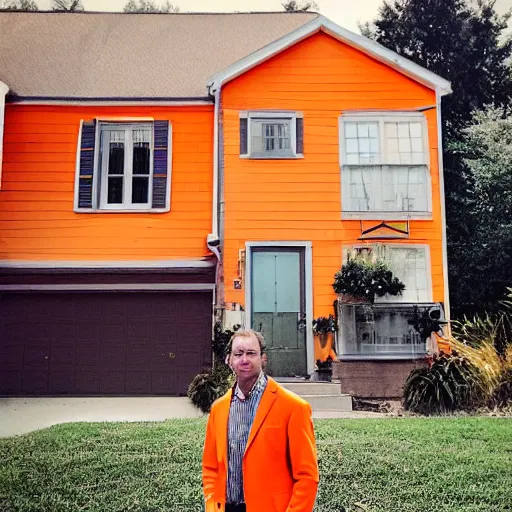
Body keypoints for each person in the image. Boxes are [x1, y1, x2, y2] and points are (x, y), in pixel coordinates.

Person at [202, 328, 319, 512]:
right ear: (229, 360)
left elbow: (307, 476)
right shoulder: (219, 409)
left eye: (251, 353)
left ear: (263, 358)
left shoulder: (293, 407)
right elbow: (210, 467)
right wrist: (211, 504)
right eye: (238, 354)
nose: (245, 359)